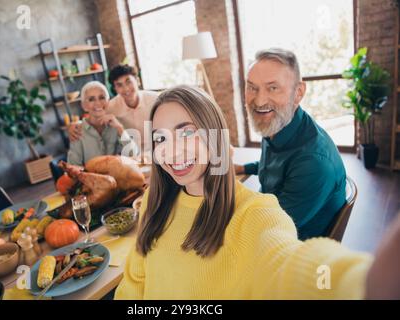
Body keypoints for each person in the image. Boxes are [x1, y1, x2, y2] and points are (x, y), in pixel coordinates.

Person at [114, 85, 400, 300]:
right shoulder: (155, 198)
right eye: (160, 138)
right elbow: (134, 281)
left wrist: (362, 283)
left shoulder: (255, 213)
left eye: (187, 132)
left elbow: (287, 264)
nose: (172, 150)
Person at [234, 48, 346, 240]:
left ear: (298, 92)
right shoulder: (277, 124)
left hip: (289, 247)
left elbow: (270, 227)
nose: (259, 100)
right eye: (252, 87)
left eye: (273, 88)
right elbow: (273, 165)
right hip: (267, 213)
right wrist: (241, 167)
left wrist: (225, 197)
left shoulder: (313, 162)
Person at [69, 64, 158, 154]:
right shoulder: (111, 106)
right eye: (119, 85)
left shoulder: (156, 100)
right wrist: (76, 124)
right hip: (134, 155)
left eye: (128, 82)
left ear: (137, 81)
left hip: (159, 150)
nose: (126, 88)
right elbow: (95, 116)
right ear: (115, 89)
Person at [67, 81, 138, 166]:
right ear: (84, 106)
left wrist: (120, 129)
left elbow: (133, 154)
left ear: (108, 102)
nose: (98, 103)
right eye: (91, 99)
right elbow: (73, 167)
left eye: (102, 97)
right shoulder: (77, 131)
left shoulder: (116, 124)